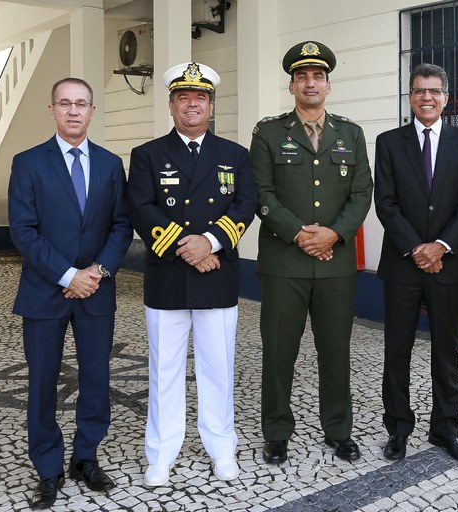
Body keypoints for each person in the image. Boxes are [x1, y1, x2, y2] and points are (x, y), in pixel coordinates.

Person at [126, 62, 256, 487]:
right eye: (184, 97)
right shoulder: (147, 155)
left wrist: (212, 243)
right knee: (164, 371)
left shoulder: (235, 155)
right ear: (171, 105)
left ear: (212, 106)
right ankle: (161, 454)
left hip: (217, 274)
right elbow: (141, 208)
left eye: (200, 98)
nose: (192, 104)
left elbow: (244, 205)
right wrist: (190, 247)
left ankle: (221, 447)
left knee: (218, 368)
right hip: (167, 276)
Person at [8, 77, 133, 509]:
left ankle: (86, 457)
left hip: (96, 291)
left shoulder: (111, 163)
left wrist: (96, 272)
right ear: (53, 110)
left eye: (81, 103)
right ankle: (48, 467)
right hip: (45, 292)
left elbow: (121, 225)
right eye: (65, 103)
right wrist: (67, 275)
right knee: (42, 381)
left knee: (96, 378)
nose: (74, 111)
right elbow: (23, 231)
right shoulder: (28, 163)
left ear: (92, 112)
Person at [249, 40, 373, 464]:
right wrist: (300, 234)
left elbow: (361, 194)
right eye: (302, 76)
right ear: (291, 85)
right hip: (285, 260)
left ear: (328, 85)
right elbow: (261, 193)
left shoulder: (350, 134)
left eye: (317, 76)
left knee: (336, 350)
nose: (310, 82)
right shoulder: (268, 132)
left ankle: (338, 429)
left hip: (335, 262)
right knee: (279, 350)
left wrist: (333, 235)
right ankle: (277, 430)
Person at [373, 64, 458, 463]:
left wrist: (440, 246)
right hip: (402, 264)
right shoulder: (388, 142)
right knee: (396, 349)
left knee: (447, 350)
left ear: (447, 97)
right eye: (419, 90)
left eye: (434, 91)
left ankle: (446, 430)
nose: (426, 98)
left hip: (449, 265)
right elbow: (385, 202)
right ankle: (398, 429)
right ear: (410, 96)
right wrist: (417, 248)